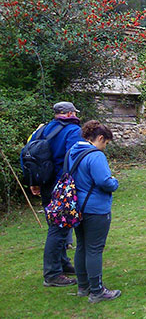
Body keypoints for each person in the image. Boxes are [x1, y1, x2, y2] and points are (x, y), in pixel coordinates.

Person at [23, 102, 85, 287]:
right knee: (58, 229)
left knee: (57, 225)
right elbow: (73, 157)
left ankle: (63, 263)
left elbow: (26, 154)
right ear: (70, 113)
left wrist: (34, 182)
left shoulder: (42, 130)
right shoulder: (73, 130)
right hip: (61, 185)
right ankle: (52, 274)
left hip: (46, 184)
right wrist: (72, 184)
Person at [67, 121, 120, 303]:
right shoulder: (95, 156)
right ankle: (97, 291)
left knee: (82, 245)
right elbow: (104, 182)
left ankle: (83, 286)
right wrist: (114, 182)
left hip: (77, 206)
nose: (105, 147)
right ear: (99, 138)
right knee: (95, 249)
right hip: (96, 208)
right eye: (105, 143)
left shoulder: (73, 151)